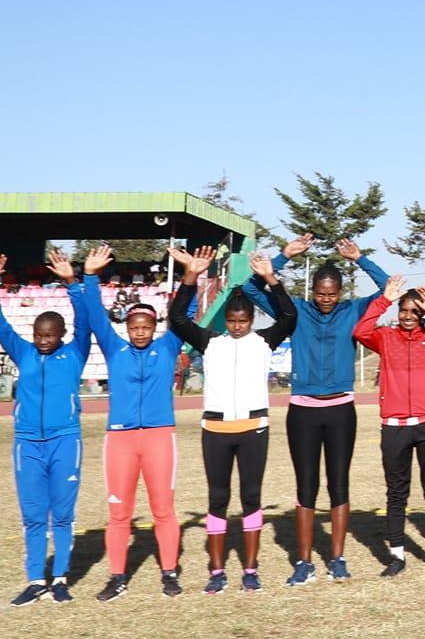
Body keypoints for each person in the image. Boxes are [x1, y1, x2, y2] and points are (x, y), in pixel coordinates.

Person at [244, 234, 392, 587]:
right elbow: (250, 290)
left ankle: (338, 559)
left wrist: (361, 259)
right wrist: (283, 257)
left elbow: (389, 289)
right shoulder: (295, 310)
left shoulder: (353, 310)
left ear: (340, 291)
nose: (326, 299)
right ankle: (304, 562)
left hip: (341, 409)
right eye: (320, 293)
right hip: (303, 411)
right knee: (306, 486)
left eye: (332, 293)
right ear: (312, 290)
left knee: (338, 484)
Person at [165, 247, 297, 594]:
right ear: (225, 320)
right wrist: (190, 276)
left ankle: (250, 569)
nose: (238, 327)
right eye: (233, 322)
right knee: (218, 498)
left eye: (243, 322)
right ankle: (216, 571)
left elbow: (289, 317)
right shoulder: (210, 342)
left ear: (252, 321)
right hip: (216, 430)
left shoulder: (264, 342)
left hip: (253, 429)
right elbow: (177, 319)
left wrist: (272, 279)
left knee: (251, 497)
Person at [76, 245, 185, 598]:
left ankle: (169, 572)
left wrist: (192, 278)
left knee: (163, 510)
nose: (140, 332)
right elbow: (94, 316)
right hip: (120, 439)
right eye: (135, 327)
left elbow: (185, 314)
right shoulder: (114, 348)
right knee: (119, 513)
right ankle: (117, 576)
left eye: (147, 327)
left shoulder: (167, 347)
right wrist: (90, 277)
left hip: (158, 437)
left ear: (155, 327)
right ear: (127, 327)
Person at [1, 250, 92, 605]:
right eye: (39, 334)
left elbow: (85, 322)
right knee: (34, 515)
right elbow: (1, 326)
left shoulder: (75, 353)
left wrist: (72, 283)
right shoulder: (23, 353)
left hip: (65, 441)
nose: (42, 340)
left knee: (63, 514)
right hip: (27, 443)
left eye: (50, 335)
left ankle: (61, 578)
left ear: (61, 335)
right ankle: (36, 579)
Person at [353, 268, 425, 575]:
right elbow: (360, 332)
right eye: (404, 311)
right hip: (395, 426)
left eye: (414, 311)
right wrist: (383, 301)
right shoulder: (385, 338)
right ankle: (397, 555)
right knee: (396, 492)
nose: (408, 316)